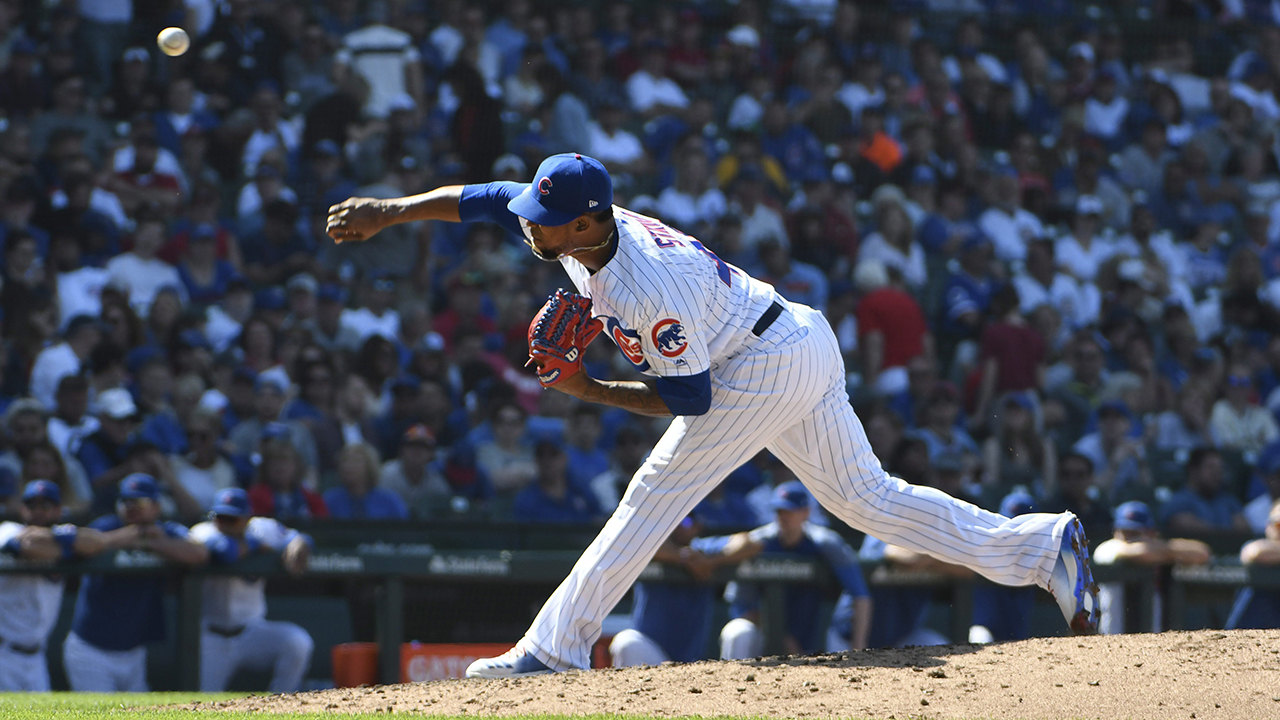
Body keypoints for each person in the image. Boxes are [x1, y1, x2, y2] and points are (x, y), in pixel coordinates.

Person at [326, 151, 1099, 679]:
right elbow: (489, 199)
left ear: (590, 224)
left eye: (547, 217)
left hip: (758, 363)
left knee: (655, 491)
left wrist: (585, 389)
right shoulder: (574, 229)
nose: (531, 223)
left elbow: (691, 400)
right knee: (868, 500)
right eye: (536, 210)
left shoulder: (642, 285)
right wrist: (389, 212)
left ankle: (554, 648)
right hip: (787, 337)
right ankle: (1039, 549)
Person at [63, 474, 210, 691]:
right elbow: (81, 544)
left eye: (139, 502)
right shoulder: (108, 525)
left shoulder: (165, 531)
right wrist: (132, 535)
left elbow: (199, 553)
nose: (131, 507)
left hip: (134, 652)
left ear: (156, 506)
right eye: (125, 501)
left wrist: (155, 542)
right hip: (91, 649)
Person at [719, 482, 872, 658]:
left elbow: (861, 596)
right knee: (737, 632)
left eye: (790, 511)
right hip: (763, 632)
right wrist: (782, 636)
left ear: (805, 512)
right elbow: (741, 606)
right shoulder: (757, 542)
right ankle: (732, 684)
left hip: (811, 634)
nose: (784, 517)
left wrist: (859, 650)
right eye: (779, 511)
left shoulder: (824, 543)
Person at [189, 488, 315, 692]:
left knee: (297, 642)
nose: (224, 523)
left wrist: (298, 543)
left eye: (232, 518)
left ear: (247, 518)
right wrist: (256, 546)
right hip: (211, 637)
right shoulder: (203, 531)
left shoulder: (262, 528)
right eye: (220, 517)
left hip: (252, 631)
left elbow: (303, 539)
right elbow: (226, 552)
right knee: (202, 703)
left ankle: (281, 706)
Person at [0, 481, 116, 691]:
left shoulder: (63, 533)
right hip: (4, 653)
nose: (37, 511)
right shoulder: (8, 529)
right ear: (22, 508)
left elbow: (97, 543)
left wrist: (63, 541)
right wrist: (69, 549)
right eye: (31, 505)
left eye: (45, 505)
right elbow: (29, 546)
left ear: (58, 510)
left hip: (36, 657)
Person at [609, 515, 757, 667]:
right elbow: (633, 541)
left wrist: (711, 561)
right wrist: (682, 558)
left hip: (693, 663)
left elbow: (750, 543)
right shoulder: (652, 545)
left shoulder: (704, 550)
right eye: (674, 519)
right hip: (650, 653)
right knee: (625, 641)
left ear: (698, 526)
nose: (678, 525)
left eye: (686, 521)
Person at [1093, 501, 1210, 634]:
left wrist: (1162, 550)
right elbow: (1141, 553)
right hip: (1111, 638)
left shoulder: (1160, 550)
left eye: (1135, 533)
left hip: (1154, 639)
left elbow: (1203, 553)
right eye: (1125, 533)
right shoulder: (1108, 548)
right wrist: (1167, 552)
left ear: (1152, 534)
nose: (1129, 539)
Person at [1161, 447, 1250, 534]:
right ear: (1193, 470)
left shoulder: (1228, 500)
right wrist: (1225, 533)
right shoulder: (1179, 500)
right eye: (1210, 467)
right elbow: (1183, 524)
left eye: (1220, 468)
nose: (1216, 473)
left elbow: (1244, 530)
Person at [1227, 501, 1280, 629]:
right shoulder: (1257, 545)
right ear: (1268, 526)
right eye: (1279, 524)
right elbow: (1254, 553)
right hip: (1250, 636)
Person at [325, 442, 410, 520]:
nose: (348, 466)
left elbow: (404, 532)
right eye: (344, 461)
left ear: (370, 467)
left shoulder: (390, 501)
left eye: (356, 461)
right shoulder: (330, 500)